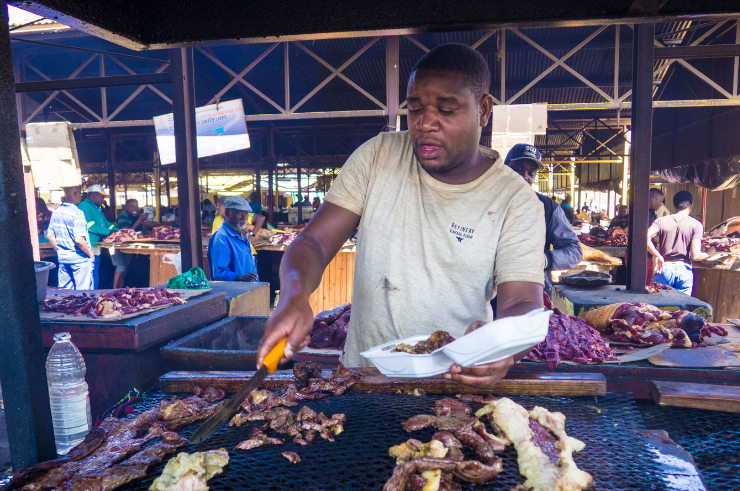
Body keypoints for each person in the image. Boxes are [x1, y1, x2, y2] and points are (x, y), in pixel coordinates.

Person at [257, 43, 547, 387]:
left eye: (446, 109)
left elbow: (523, 301)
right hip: (361, 381)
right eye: (415, 108)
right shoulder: (378, 156)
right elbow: (314, 243)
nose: (425, 123)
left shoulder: (515, 199)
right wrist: (293, 295)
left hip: (453, 385)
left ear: (483, 110)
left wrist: (503, 347)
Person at [504, 144, 583, 296]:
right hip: (489, 295)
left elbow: (574, 251)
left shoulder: (548, 208)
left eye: (531, 173)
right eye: (518, 169)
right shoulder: (487, 202)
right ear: (505, 168)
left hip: (533, 291)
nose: (524, 176)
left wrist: (545, 259)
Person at [648, 190, 715, 295]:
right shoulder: (696, 225)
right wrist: (709, 253)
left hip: (665, 269)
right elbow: (696, 256)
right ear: (691, 206)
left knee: (659, 308)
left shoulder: (661, 221)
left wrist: (657, 255)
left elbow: (644, 237)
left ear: (674, 206)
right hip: (684, 271)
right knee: (681, 308)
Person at [46, 186, 94, 290]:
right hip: (80, 260)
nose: (81, 196)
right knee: (83, 295)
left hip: (63, 258)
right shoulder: (78, 213)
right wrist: (90, 254)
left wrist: (60, 250)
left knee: (65, 294)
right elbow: (78, 239)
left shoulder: (56, 212)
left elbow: (50, 235)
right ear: (75, 194)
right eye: (80, 194)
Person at [207, 197, 259, 282]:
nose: (244, 217)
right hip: (235, 292)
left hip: (249, 289)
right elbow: (219, 273)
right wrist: (241, 277)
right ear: (227, 213)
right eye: (240, 213)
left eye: (246, 213)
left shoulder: (241, 232)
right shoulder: (222, 238)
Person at [78, 184, 118, 289]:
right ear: (93, 195)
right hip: (88, 247)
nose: (103, 200)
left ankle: (92, 296)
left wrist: (120, 231)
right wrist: (108, 232)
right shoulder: (84, 206)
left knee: (94, 276)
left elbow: (106, 223)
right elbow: (89, 225)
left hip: (96, 247)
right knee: (90, 277)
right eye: (101, 197)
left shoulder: (97, 208)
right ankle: (90, 298)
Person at [110, 199, 147, 288]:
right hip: (116, 244)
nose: (135, 208)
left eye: (136, 206)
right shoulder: (123, 216)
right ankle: (114, 290)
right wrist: (139, 220)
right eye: (132, 206)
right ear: (126, 207)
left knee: (125, 268)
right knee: (121, 266)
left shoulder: (137, 216)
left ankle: (120, 290)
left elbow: (138, 231)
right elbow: (127, 233)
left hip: (127, 245)